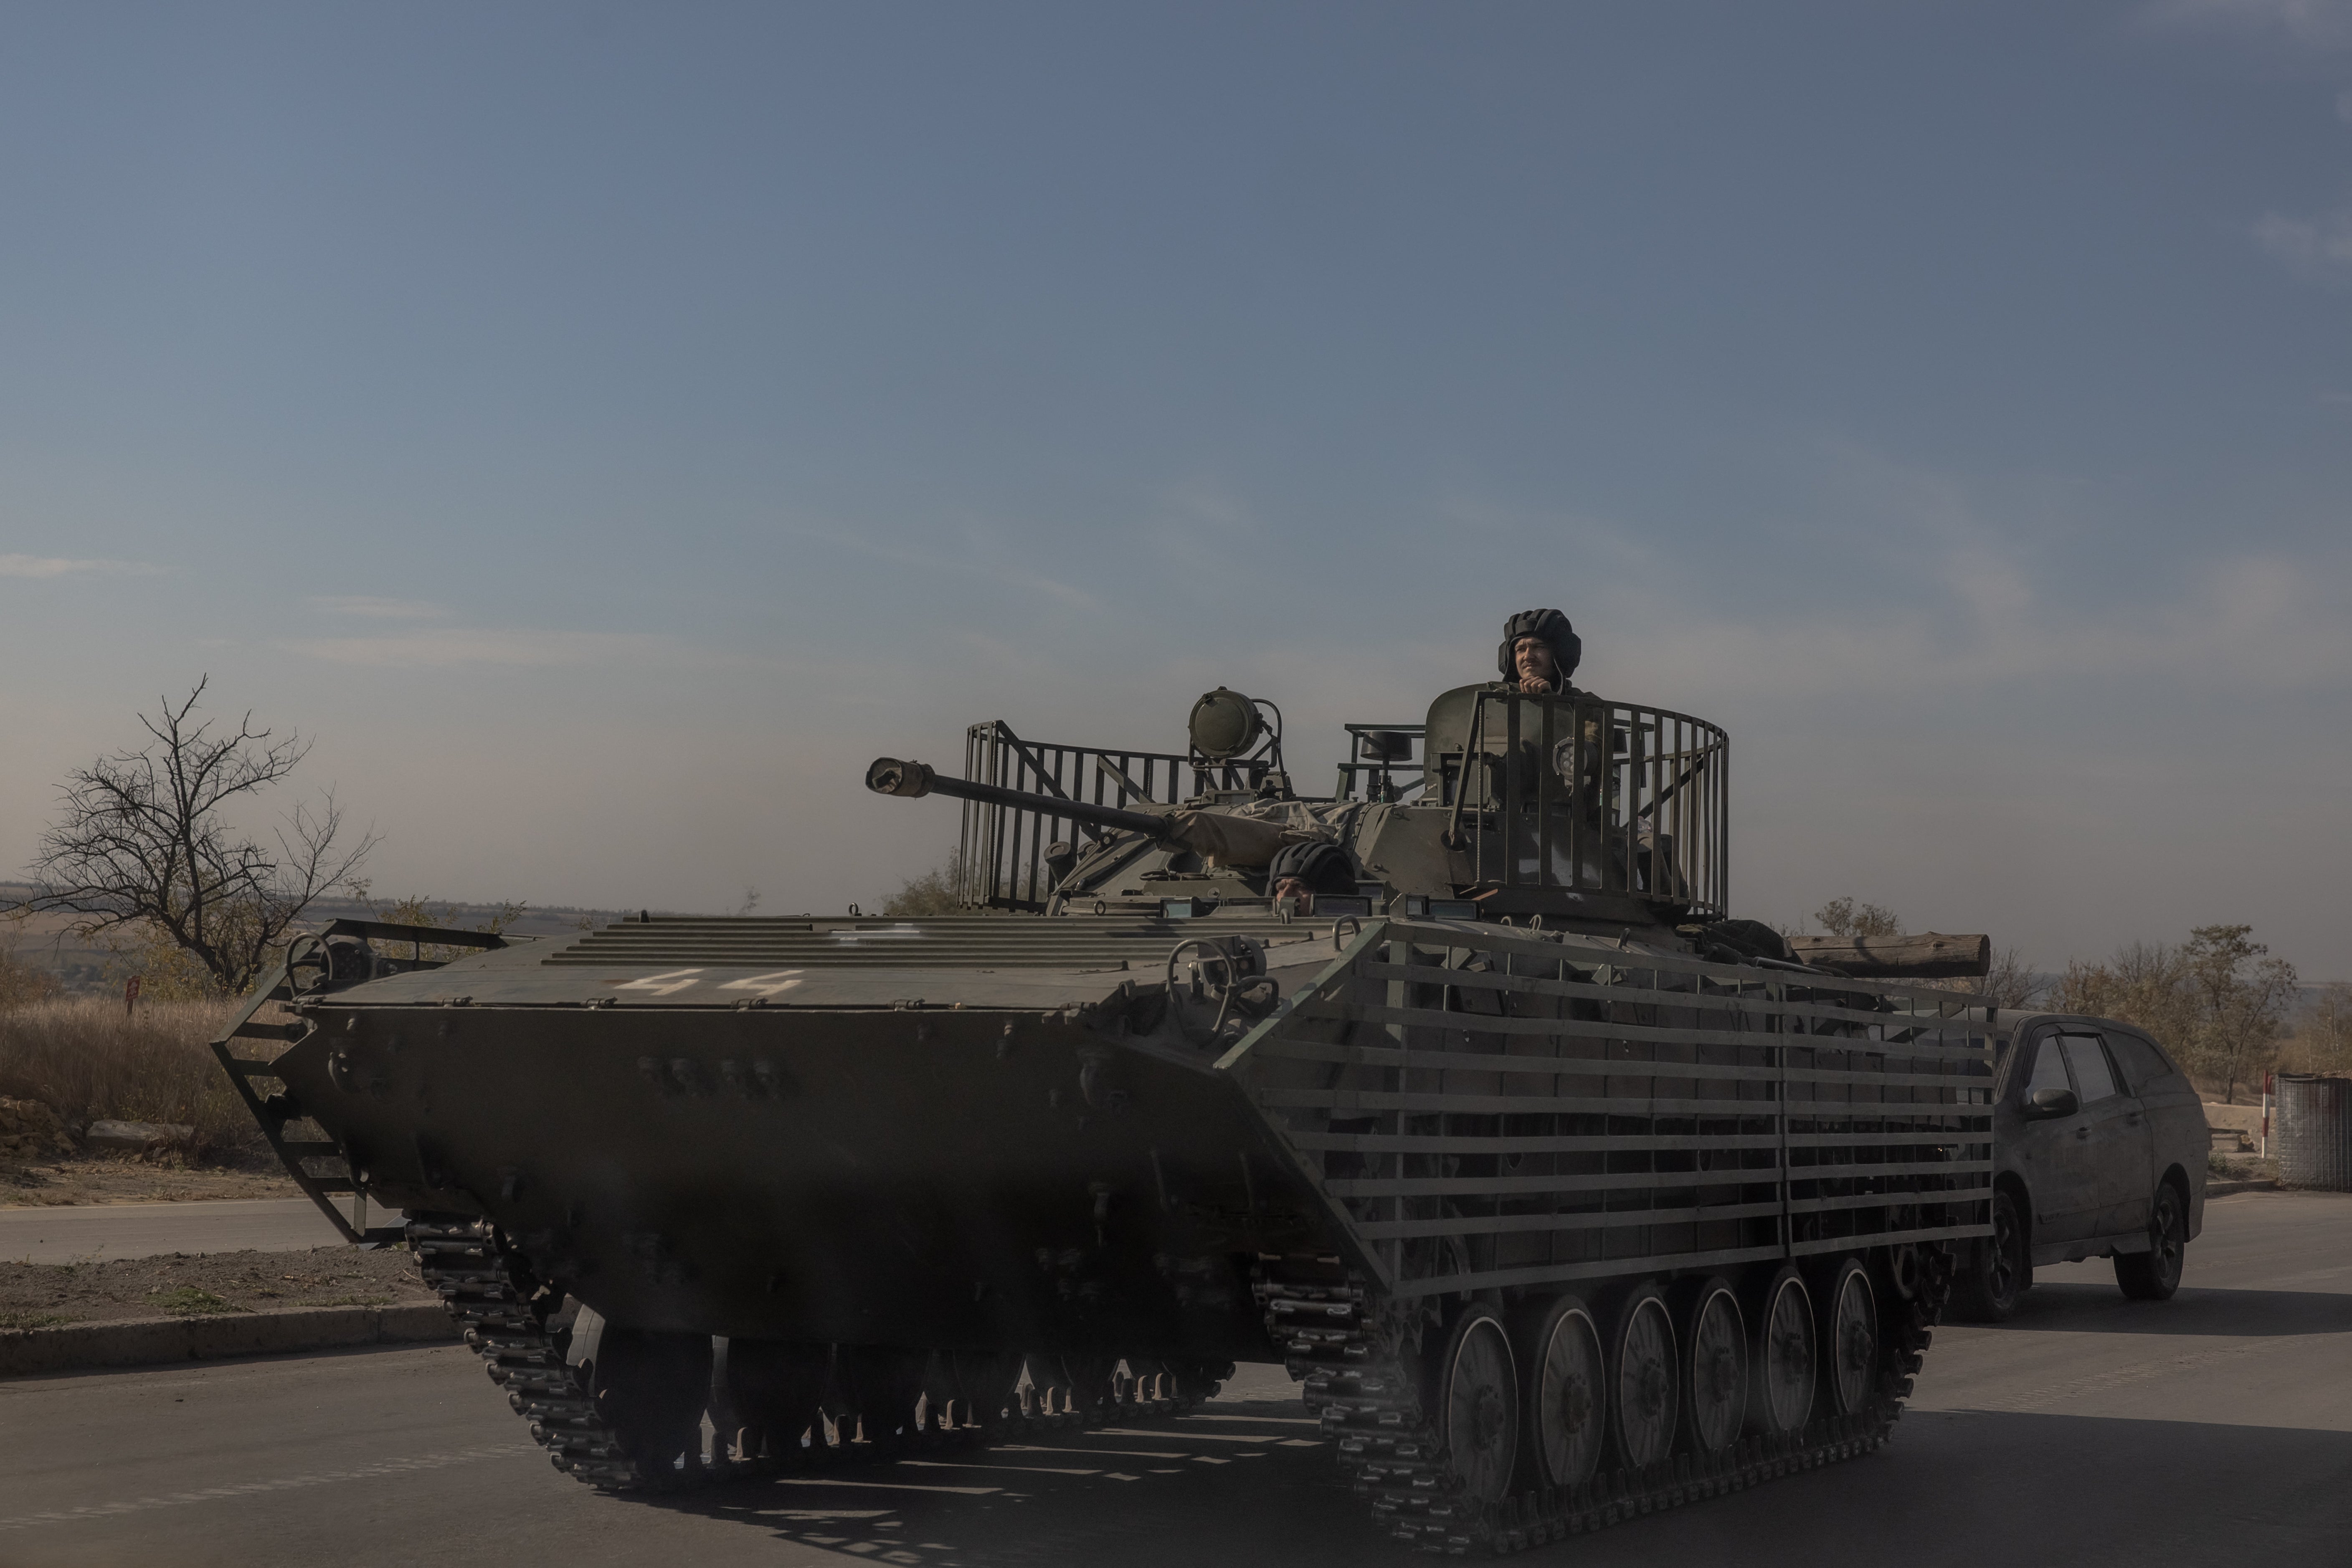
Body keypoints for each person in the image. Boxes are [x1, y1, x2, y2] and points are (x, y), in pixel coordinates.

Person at [1496, 607, 1583, 694]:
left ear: (1560, 654)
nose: (1528, 656)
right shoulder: (1492, 702)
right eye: (1521, 649)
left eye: (1538, 647)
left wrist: (1552, 700)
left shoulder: (1586, 706)